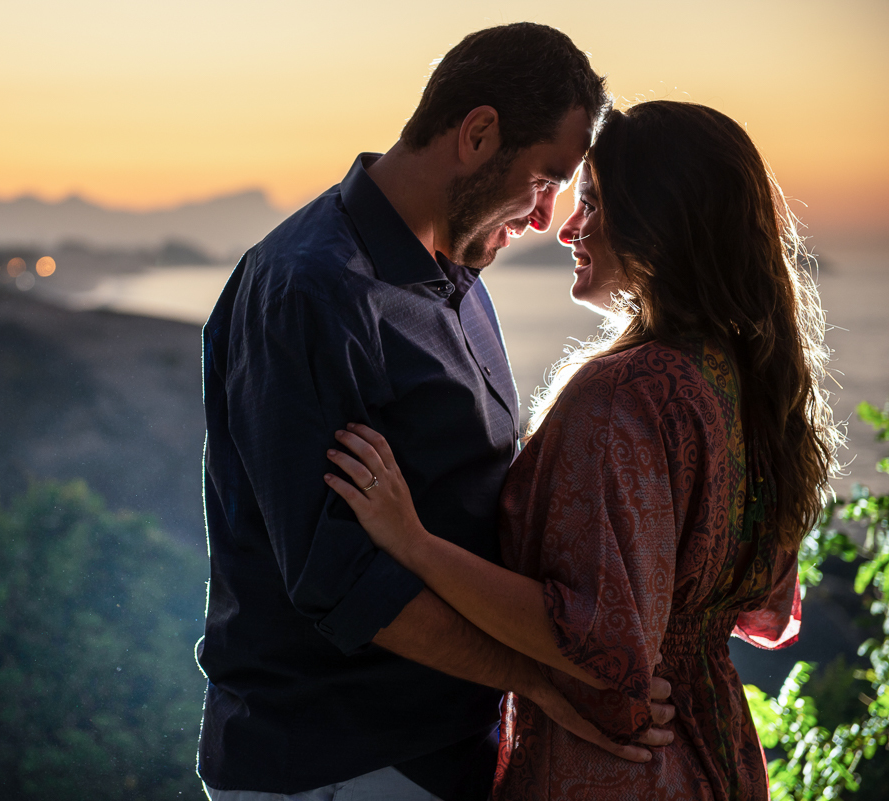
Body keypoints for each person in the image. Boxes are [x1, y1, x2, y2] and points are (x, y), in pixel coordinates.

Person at [196, 22, 676, 801]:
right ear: (478, 134)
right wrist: (546, 680)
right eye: (545, 179)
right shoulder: (311, 288)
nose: (546, 218)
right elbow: (343, 582)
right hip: (337, 763)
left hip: (444, 750)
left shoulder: (457, 277)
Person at [324, 100, 840, 800]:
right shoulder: (748, 386)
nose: (567, 227)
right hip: (719, 751)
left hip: (617, 764)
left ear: (660, 223)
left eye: (593, 204)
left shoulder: (626, 394)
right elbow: (759, 606)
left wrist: (414, 543)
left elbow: (599, 640)